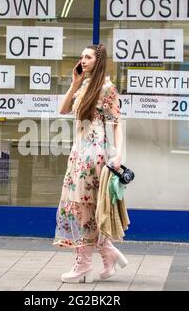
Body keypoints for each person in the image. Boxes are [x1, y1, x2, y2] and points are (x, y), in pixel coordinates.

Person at [53, 44, 128, 283]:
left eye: (88, 57)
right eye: (82, 56)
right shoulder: (84, 85)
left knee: (86, 209)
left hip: (94, 156)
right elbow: (63, 109)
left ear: (99, 61)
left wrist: (118, 156)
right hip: (78, 154)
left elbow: (117, 123)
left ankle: (84, 264)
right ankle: (108, 254)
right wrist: (74, 82)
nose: (83, 60)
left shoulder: (107, 88)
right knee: (80, 208)